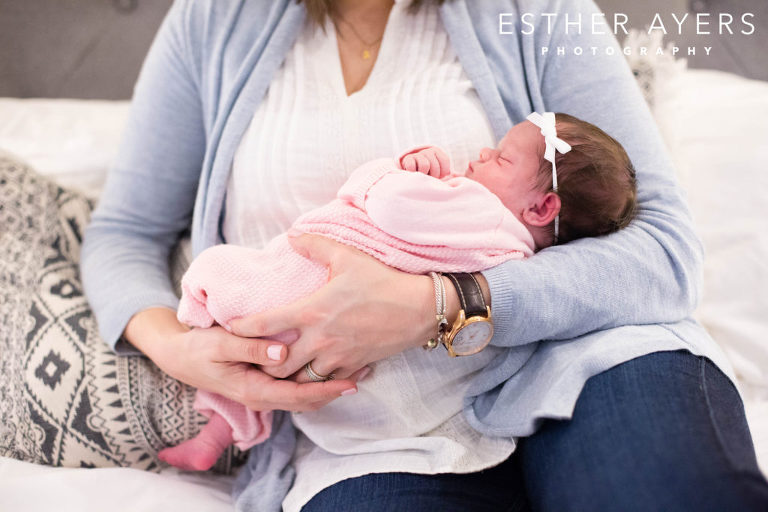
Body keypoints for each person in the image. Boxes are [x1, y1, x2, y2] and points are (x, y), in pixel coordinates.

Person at [81, 0, 768, 510]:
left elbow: (665, 252)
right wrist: (176, 347)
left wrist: (439, 304)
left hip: (586, 368)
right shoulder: (214, 24)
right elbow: (126, 232)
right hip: (369, 436)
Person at [156, 112, 638, 472]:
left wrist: (405, 170)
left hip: (308, 282)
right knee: (264, 367)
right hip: (354, 355)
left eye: (501, 157)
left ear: (542, 206)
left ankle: (216, 417)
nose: (481, 156)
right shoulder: (514, 256)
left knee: (212, 273)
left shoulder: (478, 208)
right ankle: (217, 435)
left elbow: (389, 206)